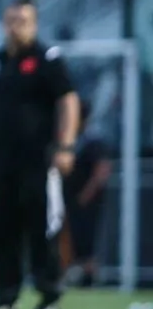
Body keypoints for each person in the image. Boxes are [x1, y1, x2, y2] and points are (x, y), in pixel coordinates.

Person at [0, 0, 79, 309]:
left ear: (35, 24)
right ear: (4, 24)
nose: (17, 26)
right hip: (0, 158)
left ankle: (49, 295)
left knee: (42, 225)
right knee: (0, 226)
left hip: (38, 158)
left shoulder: (47, 59)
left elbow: (68, 101)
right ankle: (5, 296)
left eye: (24, 20)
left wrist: (66, 146)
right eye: (12, 20)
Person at [64, 102, 111, 288]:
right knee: (73, 242)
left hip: (88, 204)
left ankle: (90, 281)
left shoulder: (93, 141)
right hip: (71, 202)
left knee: (88, 243)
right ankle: (76, 277)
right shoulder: (72, 139)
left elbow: (102, 171)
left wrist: (85, 195)